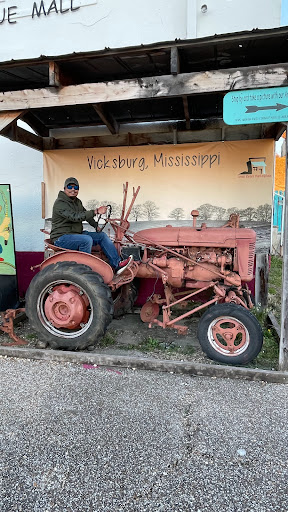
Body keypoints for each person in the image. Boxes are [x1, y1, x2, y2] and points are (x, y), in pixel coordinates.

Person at [50, 177, 133, 275]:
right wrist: (96, 211)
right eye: (70, 187)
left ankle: (117, 264)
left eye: (76, 187)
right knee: (86, 240)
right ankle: (84, 271)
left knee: (102, 236)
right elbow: (75, 217)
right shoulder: (60, 203)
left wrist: (95, 225)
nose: (73, 189)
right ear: (64, 188)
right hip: (61, 238)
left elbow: (85, 214)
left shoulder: (77, 202)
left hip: (75, 234)